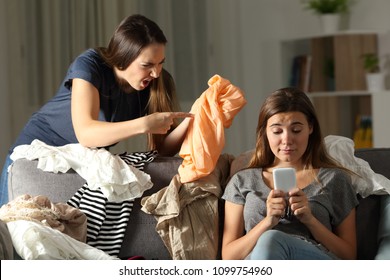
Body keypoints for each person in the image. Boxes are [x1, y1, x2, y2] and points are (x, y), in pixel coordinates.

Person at [0, 14, 193, 206]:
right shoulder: (90, 64)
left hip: (78, 163)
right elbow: (86, 134)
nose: (156, 72)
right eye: (147, 65)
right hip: (34, 154)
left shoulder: (155, 84)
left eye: (161, 63)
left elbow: (163, 151)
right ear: (123, 58)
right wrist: (144, 124)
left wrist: (193, 119)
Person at [221, 87, 358, 260]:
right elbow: (228, 257)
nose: (286, 140)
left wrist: (309, 219)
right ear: (265, 132)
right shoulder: (242, 181)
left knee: (273, 239)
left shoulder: (334, 179)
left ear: (310, 128)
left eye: (296, 130)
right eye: (277, 131)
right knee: (270, 239)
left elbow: (349, 257)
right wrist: (268, 222)